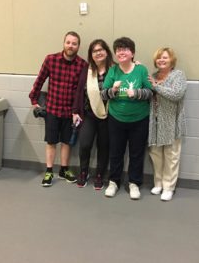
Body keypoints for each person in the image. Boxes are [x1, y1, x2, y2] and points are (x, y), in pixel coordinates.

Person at [29, 31, 87, 187]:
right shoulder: (51, 59)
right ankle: (49, 171)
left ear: (78, 46)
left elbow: (82, 90)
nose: (71, 46)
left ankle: (64, 169)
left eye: (74, 43)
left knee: (67, 142)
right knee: (51, 141)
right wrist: (34, 99)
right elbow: (40, 80)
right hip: (52, 110)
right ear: (64, 43)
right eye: (68, 42)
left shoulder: (83, 65)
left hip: (70, 112)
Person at [101, 37, 152, 200]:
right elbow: (103, 94)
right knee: (116, 152)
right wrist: (113, 90)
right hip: (116, 119)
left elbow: (151, 92)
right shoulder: (113, 71)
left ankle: (134, 183)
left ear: (132, 53)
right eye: (118, 50)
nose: (121, 52)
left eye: (125, 49)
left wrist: (136, 94)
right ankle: (114, 182)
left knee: (136, 153)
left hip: (139, 119)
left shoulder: (141, 70)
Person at [72, 39, 113, 190]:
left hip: (108, 116)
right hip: (88, 114)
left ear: (107, 51)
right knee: (85, 144)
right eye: (95, 51)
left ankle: (100, 174)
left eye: (101, 49)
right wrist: (75, 111)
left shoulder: (114, 69)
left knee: (104, 146)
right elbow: (79, 92)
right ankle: (83, 172)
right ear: (91, 55)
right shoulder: (87, 70)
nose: (98, 53)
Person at [148, 47, 187, 201]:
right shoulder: (152, 76)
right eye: (159, 58)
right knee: (156, 154)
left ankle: (169, 187)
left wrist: (156, 86)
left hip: (172, 121)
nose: (161, 60)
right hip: (154, 121)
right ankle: (158, 184)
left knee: (171, 156)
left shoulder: (178, 75)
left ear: (172, 60)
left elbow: (176, 94)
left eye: (165, 57)